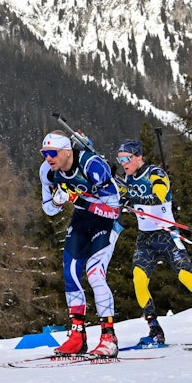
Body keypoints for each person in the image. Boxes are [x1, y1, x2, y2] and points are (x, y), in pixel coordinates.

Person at [114, 138, 192, 346]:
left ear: (138, 156)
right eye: (120, 160)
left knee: (188, 279)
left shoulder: (156, 173)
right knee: (138, 280)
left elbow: (159, 197)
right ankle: (155, 331)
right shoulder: (126, 179)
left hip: (167, 235)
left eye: (127, 158)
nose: (123, 163)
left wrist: (132, 199)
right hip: (145, 239)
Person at [39, 130, 123, 357]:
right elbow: (48, 209)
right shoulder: (48, 171)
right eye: (44, 153)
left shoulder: (92, 166)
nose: (48, 158)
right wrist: (57, 201)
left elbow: (114, 211)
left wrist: (77, 199)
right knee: (70, 273)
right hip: (82, 219)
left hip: (105, 222)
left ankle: (109, 337)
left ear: (67, 151)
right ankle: (77, 336)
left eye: (52, 153)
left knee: (95, 274)